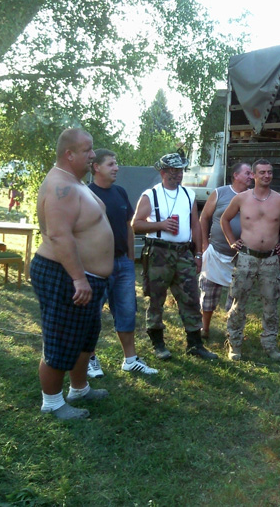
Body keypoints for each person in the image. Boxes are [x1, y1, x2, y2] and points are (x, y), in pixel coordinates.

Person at [31, 128, 114, 420]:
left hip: (86, 276)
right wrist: (79, 278)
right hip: (65, 274)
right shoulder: (60, 186)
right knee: (61, 339)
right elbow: (58, 235)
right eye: (87, 150)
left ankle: (79, 388)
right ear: (69, 154)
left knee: (84, 339)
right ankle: (52, 403)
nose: (93, 155)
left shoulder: (74, 182)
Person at [131, 152, 217, 361]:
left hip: (183, 253)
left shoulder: (188, 194)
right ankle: (158, 343)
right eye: (173, 170)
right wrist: (160, 225)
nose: (178, 174)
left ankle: (194, 344)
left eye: (180, 170)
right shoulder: (151, 195)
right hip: (158, 252)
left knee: (191, 297)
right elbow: (136, 224)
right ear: (163, 172)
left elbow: (195, 225)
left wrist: (198, 253)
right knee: (156, 298)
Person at [86, 149, 157, 377]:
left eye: (116, 163)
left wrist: (129, 258)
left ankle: (130, 360)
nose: (116, 168)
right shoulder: (86, 194)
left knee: (127, 311)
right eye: (111, 164)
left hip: (123, 264)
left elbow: (128, 226)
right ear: (96, 167)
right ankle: (89, 359)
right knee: (91, 314)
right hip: (96, 266)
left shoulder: (120, 192)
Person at [220, 158, 280, 361]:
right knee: (238, 302)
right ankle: (234, 344)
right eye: (262, 172)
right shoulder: (241, 198)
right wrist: (231, 241)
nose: (266, 176)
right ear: (253, 175)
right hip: (246, 256)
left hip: (270, 259)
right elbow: (224, 219)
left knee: (271, 304)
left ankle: (270, 344)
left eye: (269, 172)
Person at [198, 162, 253, 339]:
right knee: (208, 294)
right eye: (247, 173)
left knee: (237, 297)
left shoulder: (253, 196)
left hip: (240, 256)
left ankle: (232, 331)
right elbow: (204, 218)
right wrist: (204, 244)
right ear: (236, 175)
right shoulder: (220, 193)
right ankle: (205, 328)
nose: (251, 176)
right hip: (215, 252)